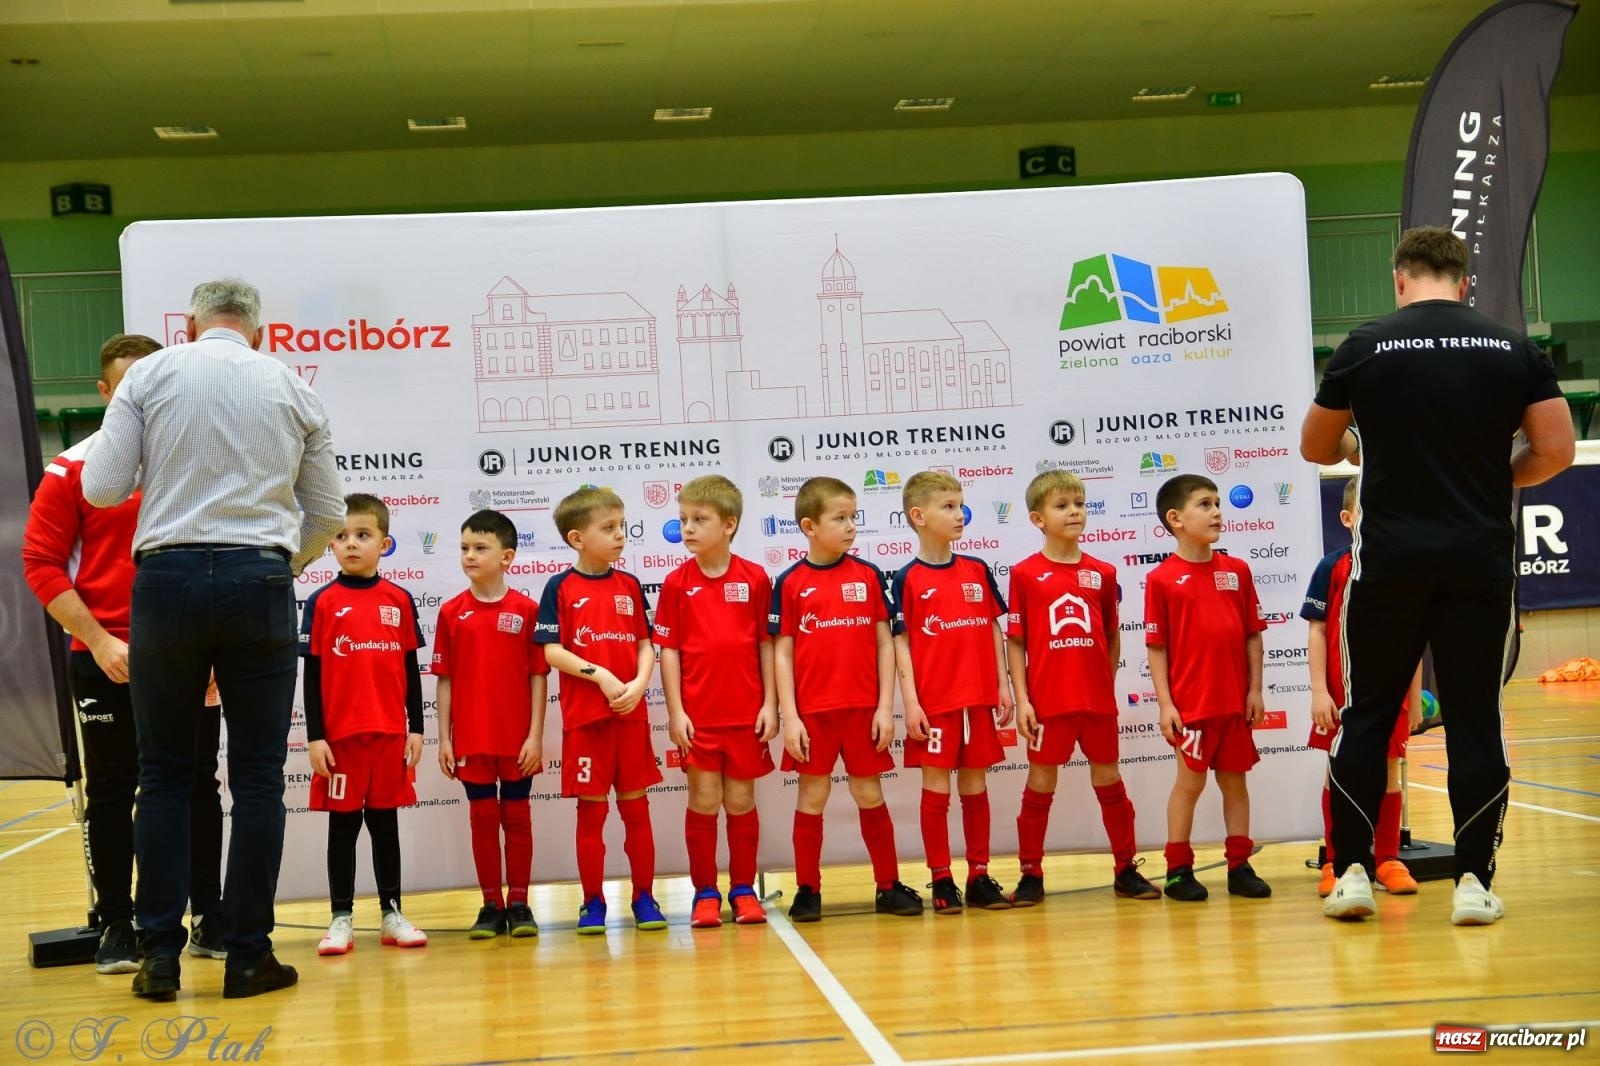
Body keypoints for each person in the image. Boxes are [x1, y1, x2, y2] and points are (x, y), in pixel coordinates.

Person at [1301, 226, 1574, 925]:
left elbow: (1316, 445)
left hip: (1388, 562)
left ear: (1399, 279)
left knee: (1367, 717)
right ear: (1464, 282)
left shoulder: (1365, 345)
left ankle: (1352, 873)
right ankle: (1473, 883)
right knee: (1475, 720)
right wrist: (1494, 480)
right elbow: (1556, 449)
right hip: (1477, 560)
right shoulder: (1514, 349)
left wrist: (1361, 445)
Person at [81, 278, 344, 1000]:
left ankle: (159, 957)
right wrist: (281, 567)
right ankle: (248, 955)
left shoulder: (150, 375)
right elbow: (327, 512)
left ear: (191, 328)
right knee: (257, 778)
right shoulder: (291, 385)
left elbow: (101, 489)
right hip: (259, 577)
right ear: (259, 333)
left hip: (165, 582)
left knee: (163, 774)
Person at [22, 333, 228, 974]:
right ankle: (117, 922)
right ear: (105, 391)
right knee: (113, 789)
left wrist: (213, 652)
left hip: (190, 657)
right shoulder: (72, 470)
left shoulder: (195, 460)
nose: (139, 396)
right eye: (126, 386)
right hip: (105, 657)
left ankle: (209, 916)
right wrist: (100, 640)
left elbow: (218, 556)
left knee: (198, 786)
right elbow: (40, 564)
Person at [1005, 470, 1161, 906]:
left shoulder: (1102, 572)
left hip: (1095, 702)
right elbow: (1015, 641)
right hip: (1048, 702)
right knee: (1040, 783)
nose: (1074, 512)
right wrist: (1023, 700)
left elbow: (1111, 634)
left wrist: (1103, 684)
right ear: (1038, 519)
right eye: (1062, 506)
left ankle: (1125, 869)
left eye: (1079, 503)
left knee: (1109, 780)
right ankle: (1031, 874)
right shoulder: (1025, 574)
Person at [771, 476, 922, 922]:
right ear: (810, 526)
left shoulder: (868, 575)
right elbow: (782, 653)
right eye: (840, 518)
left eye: (853, 517)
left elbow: (885, 644)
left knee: (869, 792)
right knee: (812, 796)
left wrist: (884, 708)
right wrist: (790, 717)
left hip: (862, 712)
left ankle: (888, 885)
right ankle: (807, 890)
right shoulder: (790, 582)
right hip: (813, 715)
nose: (851, 526)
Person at [299, 494, 428, 954]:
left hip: (389, 736)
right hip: (340, 740)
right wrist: (315, 736)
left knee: (385, 825)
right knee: (343, 829)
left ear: (384, 543)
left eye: (362, 534)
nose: (351, 543)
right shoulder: (321, 602)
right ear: (330, 544)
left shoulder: (399, 599)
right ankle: (341, 918)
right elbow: (311, 675)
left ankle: (392, 913)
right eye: (341, 535)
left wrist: (417, 726)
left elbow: (411, 669)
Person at [536, 487, 664, 935]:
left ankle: (645, 897)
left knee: (636, 811)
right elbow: (552, 651)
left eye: (621, 526)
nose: (620, 535)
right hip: (586, 721)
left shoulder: (629, 584)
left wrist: (640, 683)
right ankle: (592, 902)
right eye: (608, 528)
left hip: (631, 718)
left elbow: (646, 643)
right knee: (592, 815)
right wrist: (601, 676)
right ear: (577, 538)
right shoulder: (559, 587)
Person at [654, 476, 777, 929]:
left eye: (699, 519)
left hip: (746, 716)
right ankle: (705, 893)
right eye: (683, 519)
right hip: (699, 718)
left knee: (741, 800)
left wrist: (770, 704)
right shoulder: (675, 583)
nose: (687, 528)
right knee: (704, 800)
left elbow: (766, 644)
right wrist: (676, 711)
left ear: (729, 525)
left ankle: (743, 890)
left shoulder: (754, 578)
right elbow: (669, 650)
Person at [1144, 474, 1272, 903]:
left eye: (1218, 503)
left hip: (1234, 705)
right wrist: (1166, 704)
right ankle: (1178, 869)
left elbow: (1252, 634)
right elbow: (1157, 647)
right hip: (1192, 708)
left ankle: (1239, 865)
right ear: (1176, 518)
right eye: (1205, 504)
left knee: (1235, 784)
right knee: (1190, 785)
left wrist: (1255, 690)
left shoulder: (1237, 571)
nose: (1217, 511)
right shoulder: (1162, 579)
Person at [890, 471, 1013, 914]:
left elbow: (993, 626)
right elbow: (901, 642)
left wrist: (1002, 684)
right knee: (936, 787)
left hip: (978, 698)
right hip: (935, 703)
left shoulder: (976, 569)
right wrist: (911, 702)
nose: (960, 514)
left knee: (976, 784)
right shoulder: (905, 578)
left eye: (960, 505)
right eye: (948, 507)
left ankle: (979, 875)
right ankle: (941, 878)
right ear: (919, 516)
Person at [1303, 479, 1423, 908]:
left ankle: (1387, 859)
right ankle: (1336, 861)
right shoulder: (1331, 567)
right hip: (1340, 694)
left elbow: (1413, 637)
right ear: (1347, 518)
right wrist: (1319, 690)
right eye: (1369, 510)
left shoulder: (1405, 568)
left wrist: (1414, 697)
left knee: (1389, 770)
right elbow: (1318, 632)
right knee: (1338, 770)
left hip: (1391, 694)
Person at [433, 509, 547, 938]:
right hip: (471, 740)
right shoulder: (451, 612)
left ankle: (519, 903)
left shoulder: (527, 610)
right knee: (482, 819)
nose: (470, 555)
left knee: (517, 818)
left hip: (517, 740)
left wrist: (535, 736)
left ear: (507, 556)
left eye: (481, 548)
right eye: (465, 547)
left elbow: (538, 677)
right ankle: (490, 905)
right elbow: (444, 679)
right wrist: (444, 739)